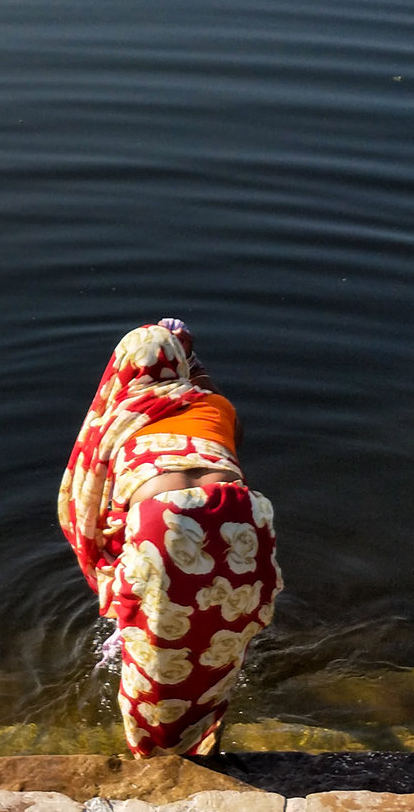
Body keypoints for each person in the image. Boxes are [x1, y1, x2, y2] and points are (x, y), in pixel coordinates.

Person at [58, 318, 282, 757]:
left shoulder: (116, 422)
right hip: (243, 511)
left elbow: (91, 515)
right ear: (181, 367)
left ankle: (152, 751)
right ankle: (207, 729)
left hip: (166, 518)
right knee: (221, 634)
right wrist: (190, 354)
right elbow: (212, 414)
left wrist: (119, 585)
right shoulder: (216, 404)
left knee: (155, 644)